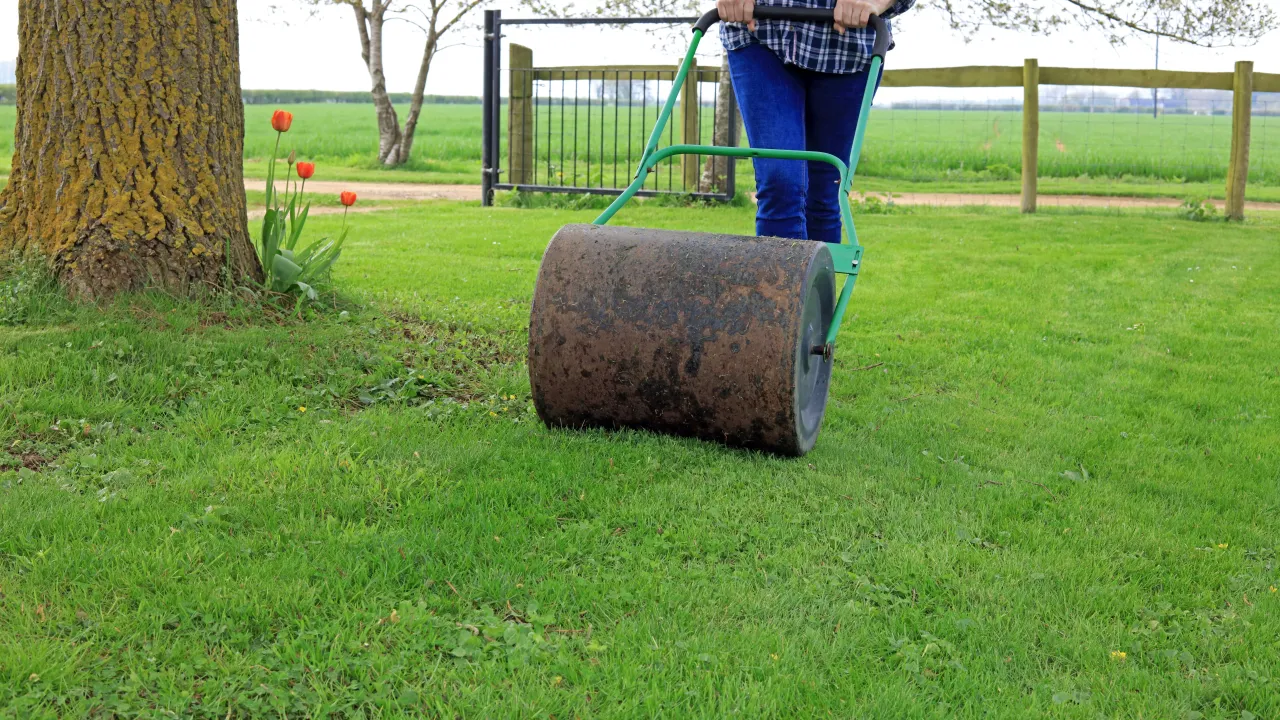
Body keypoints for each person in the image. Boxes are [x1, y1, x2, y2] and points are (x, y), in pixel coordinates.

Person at [717, 0, 914, 242]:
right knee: (780, 182)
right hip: (759, 33)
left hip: (847, 49)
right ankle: (780, 279)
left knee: (824, 191)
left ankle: (817, 279)